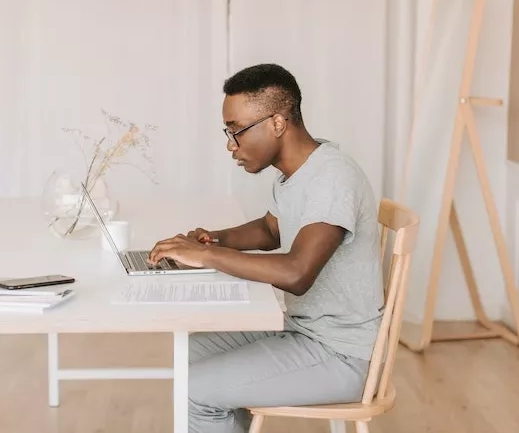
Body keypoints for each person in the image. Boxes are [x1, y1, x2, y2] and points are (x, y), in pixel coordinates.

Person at [148, 63, 383, 433]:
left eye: (236, 131)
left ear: (276, 123)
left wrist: (207, 257)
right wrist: (211, 239)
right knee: (186, 355)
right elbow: (270, 230)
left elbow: (297, 273)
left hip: (341, 352)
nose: (230, 145)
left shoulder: (333, 178)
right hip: (303, 330)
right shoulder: (298, 173)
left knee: (197, 388)